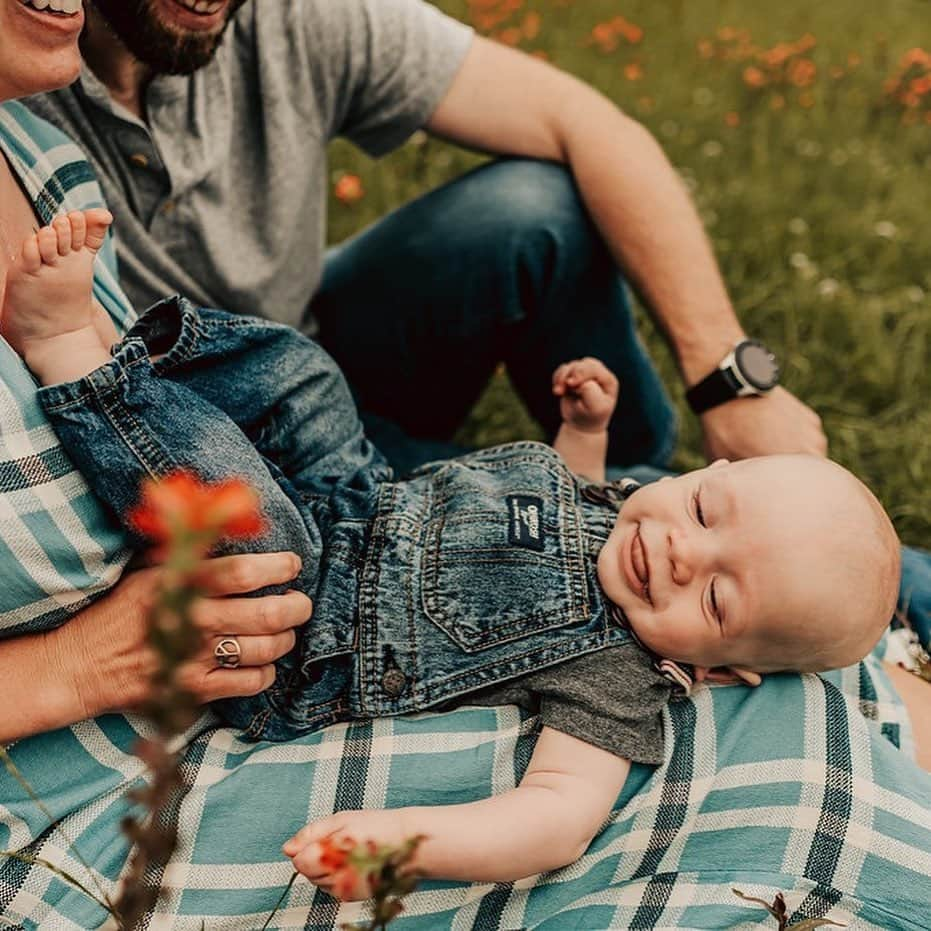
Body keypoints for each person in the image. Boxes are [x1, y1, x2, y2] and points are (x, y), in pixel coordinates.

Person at [1, 6, 928, 929]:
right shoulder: (639, 521)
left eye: (719, 601)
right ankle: (140, 355)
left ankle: (79, 365)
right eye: (702, 504)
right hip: (363, 495)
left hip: (300, 623)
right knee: (300, 373)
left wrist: (399, 847)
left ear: (722, 674)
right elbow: (566, 502)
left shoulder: (619, 682)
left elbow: (552, 823)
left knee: (237, 516)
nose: (681, 553)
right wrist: (586, 438)